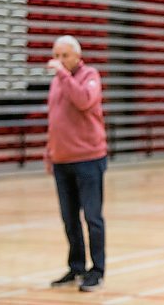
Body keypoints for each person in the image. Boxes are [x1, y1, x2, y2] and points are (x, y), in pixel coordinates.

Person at [44, 35, 107, 292]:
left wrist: (63, 75)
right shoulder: (58, 82)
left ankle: (97, 270)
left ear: (77, 57)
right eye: (56, 56)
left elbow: (83, 100)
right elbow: (55, 119)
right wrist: (50, 152)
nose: (59, 61)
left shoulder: (89, 75)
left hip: (89, 159)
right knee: (69, 219)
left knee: (92, 217)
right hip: (62, 160)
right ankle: (76, 266)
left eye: (64, 56)